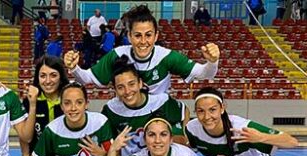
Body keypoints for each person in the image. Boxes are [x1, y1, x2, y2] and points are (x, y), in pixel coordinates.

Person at [65, 5, 220, 95]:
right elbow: (86, 78)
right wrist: (74, 68)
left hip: (158, 118)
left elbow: (204, 74)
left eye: (148, 35)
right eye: (138, 35)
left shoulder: (165, 56)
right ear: (130, 36)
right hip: (127, 116)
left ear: (156, 36)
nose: (143, 41)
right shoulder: (118, 54)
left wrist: (212, 62)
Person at [22, 55, 69, 156]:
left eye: (53, 75)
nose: (48, 81)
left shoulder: (69, 98)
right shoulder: (30, 99)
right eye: (43, 76)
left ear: (61, 76)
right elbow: (25, 135)